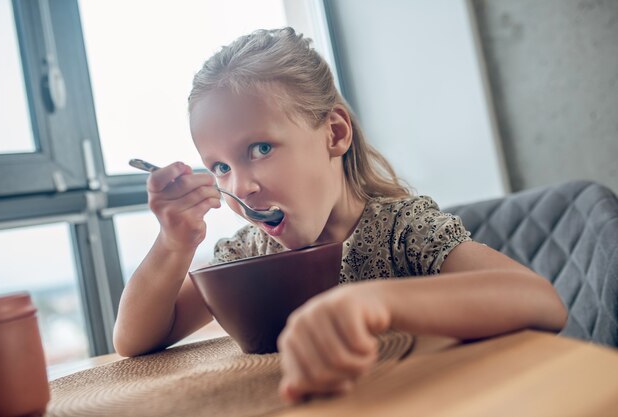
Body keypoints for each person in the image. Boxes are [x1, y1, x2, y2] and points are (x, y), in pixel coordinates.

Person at [113, 27, 567, 403]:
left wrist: (374, 302)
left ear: (334, 132)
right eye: (221, 167)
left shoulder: (401, 231)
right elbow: (136, 339)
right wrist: (173, 244)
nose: (239, 186)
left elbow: (540, 302)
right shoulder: (248, 256)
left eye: (261, 148)